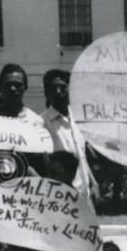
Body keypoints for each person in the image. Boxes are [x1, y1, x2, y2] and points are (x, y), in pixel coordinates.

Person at [40, 69, 100, 202]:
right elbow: (44, 165)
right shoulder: (41, 123)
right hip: (59, 197)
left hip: (84, 194)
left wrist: (93, 183)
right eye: (53, 88)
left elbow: (82, 156)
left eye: (62, 87)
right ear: (46, 93)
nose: (58, 92)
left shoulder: (77, 118)